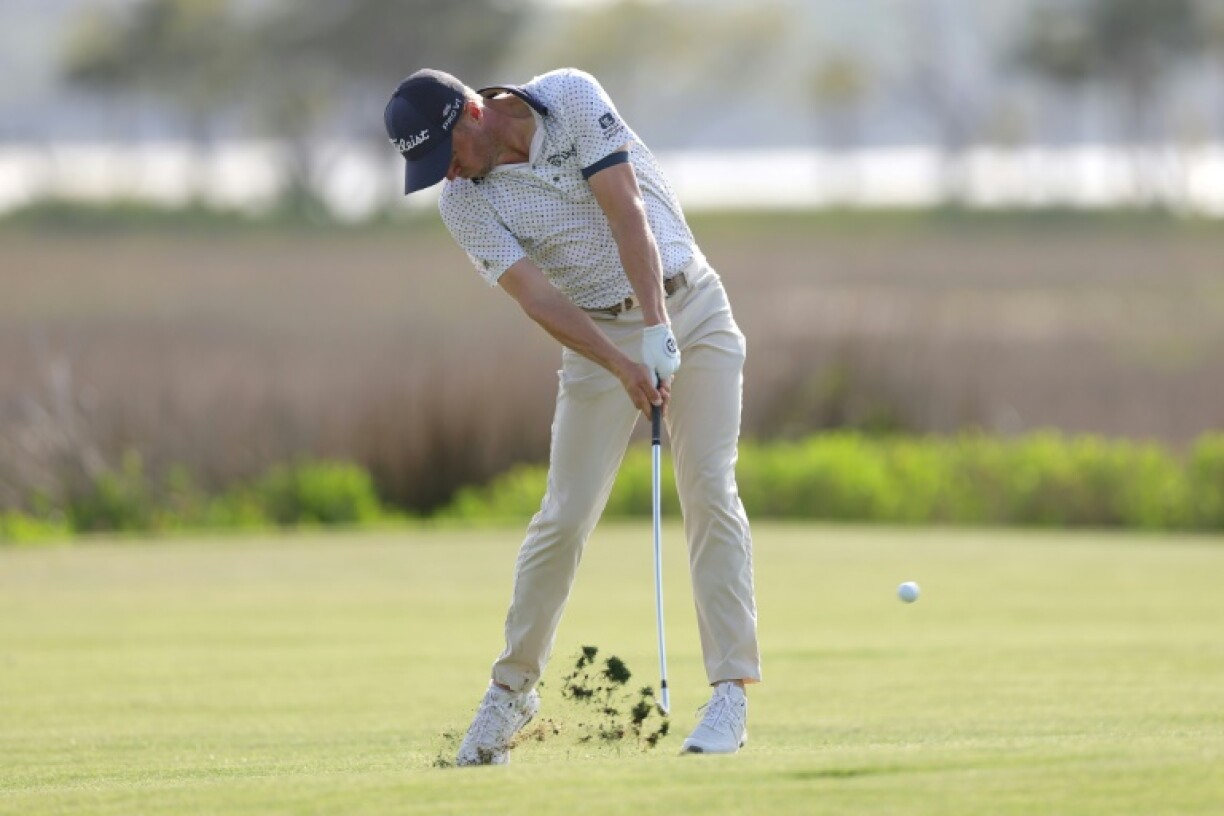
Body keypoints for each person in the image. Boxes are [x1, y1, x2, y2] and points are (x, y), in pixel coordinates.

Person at [384, 67, 760, 764]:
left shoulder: (571, 97)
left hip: (689, 307)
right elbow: (536, 299)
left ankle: (731, 693)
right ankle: (512, 689)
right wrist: (622, 364)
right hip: (594, 339)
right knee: (563, 516)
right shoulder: (462, 203)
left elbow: (627, 212)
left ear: (472, 111)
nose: (449, 174)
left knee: (709, 488)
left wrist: (656, 330)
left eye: (449, 154)